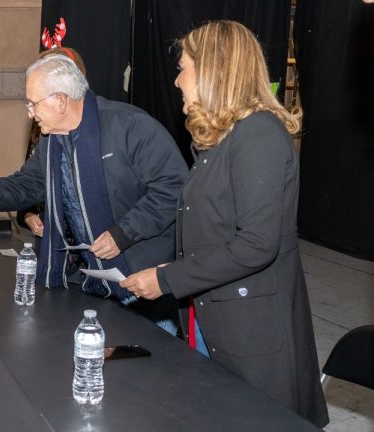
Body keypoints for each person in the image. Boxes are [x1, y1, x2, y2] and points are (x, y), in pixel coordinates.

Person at [119, 20, 329, 427]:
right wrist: (169, 271)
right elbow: (215, 232)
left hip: (252, 333)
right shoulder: (226, 138)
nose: (177, 80)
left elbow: (255, 244)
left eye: (184, 68)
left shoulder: (258, 136)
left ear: (214, 70)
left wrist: (168, 280)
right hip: (214, 314)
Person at [0, 54, 188, 333]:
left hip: (142, 288)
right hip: (89, 284)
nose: (30, 113)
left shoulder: (130, 126)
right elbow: (24, 185)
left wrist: (124, 233)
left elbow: (175, 188)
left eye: (33, 104)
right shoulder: (51, 142)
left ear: (60, 100)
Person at [17, 46, 88, 237]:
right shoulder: (42, 123)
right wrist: (28, 214)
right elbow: (31, 180)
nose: (31, 112)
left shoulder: (100, 128)